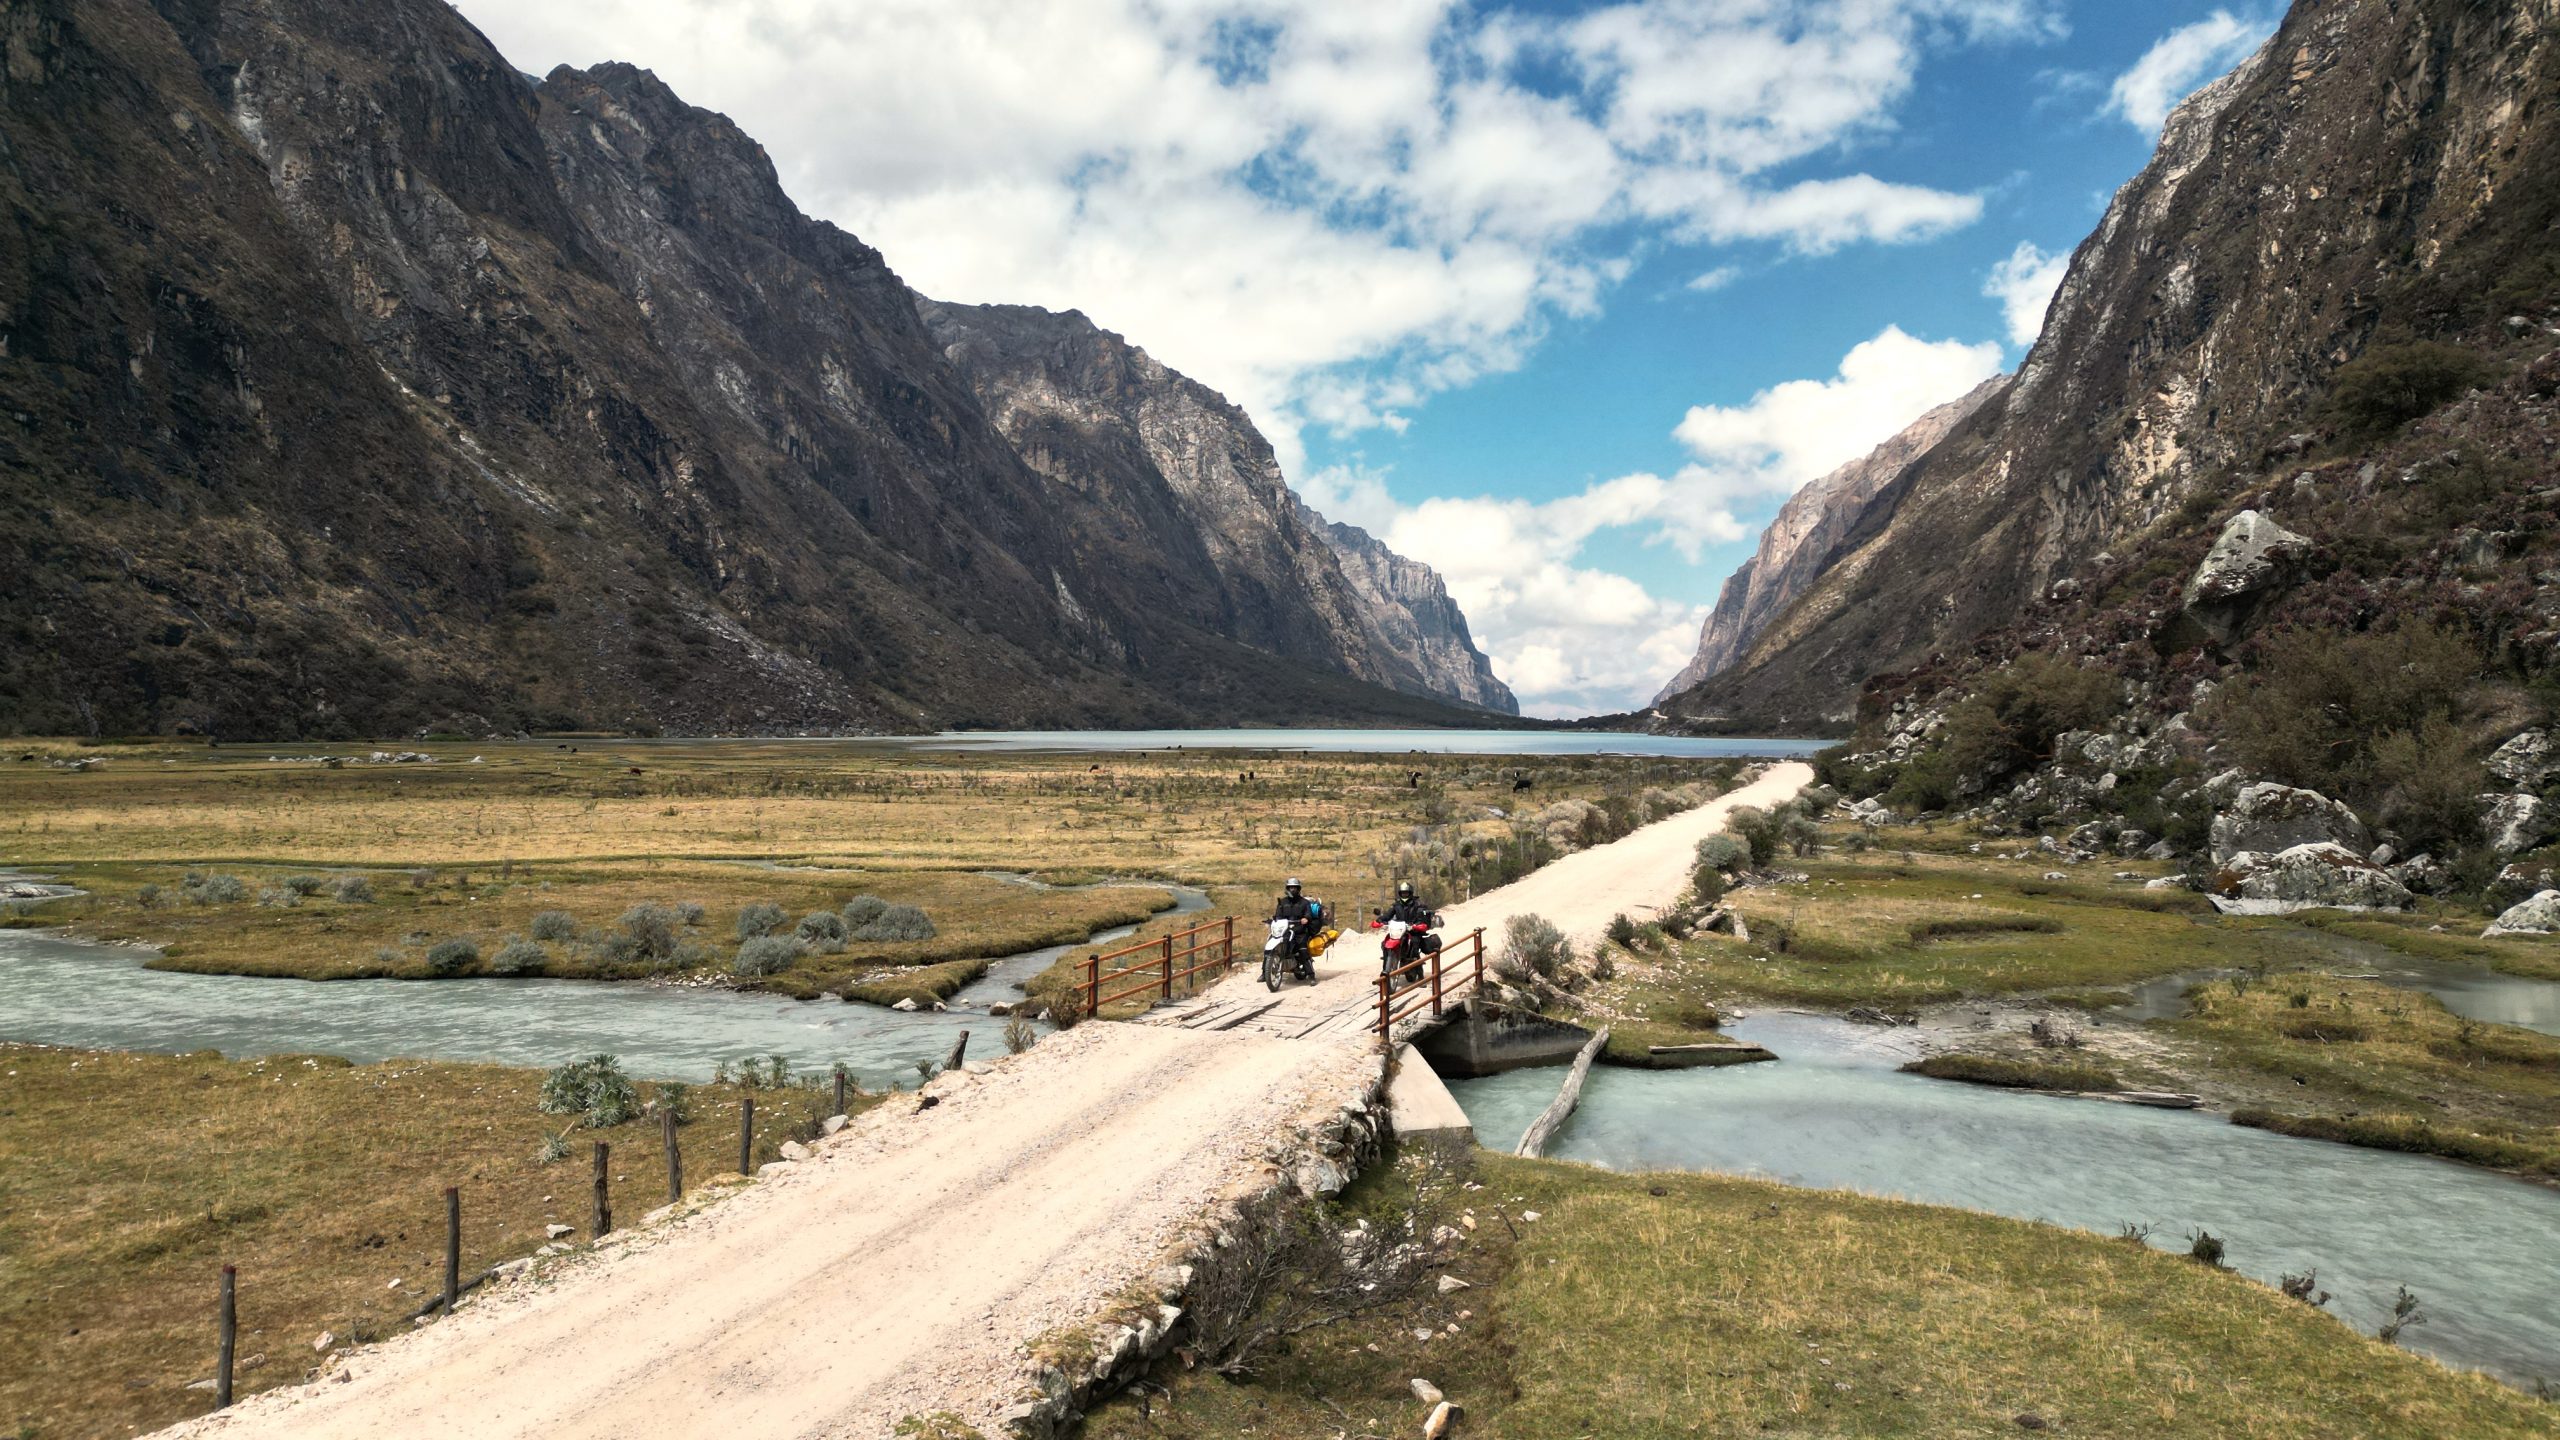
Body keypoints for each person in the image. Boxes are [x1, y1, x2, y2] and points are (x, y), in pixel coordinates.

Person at [1272, 877, 1318, 979]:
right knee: (1271, 946)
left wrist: (1306, 918)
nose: (1292, 890)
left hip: (1300, 931)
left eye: (1295, 888)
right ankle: (1264, 973)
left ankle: (1311, 975)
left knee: (1303, 950)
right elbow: (1278, 915)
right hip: (1285, 931)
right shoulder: (1282, 902)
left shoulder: (1304, 902)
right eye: (1290, 887)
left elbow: (1308, 914)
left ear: (1298, 889)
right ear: (1287, 889)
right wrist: (1274, 920)